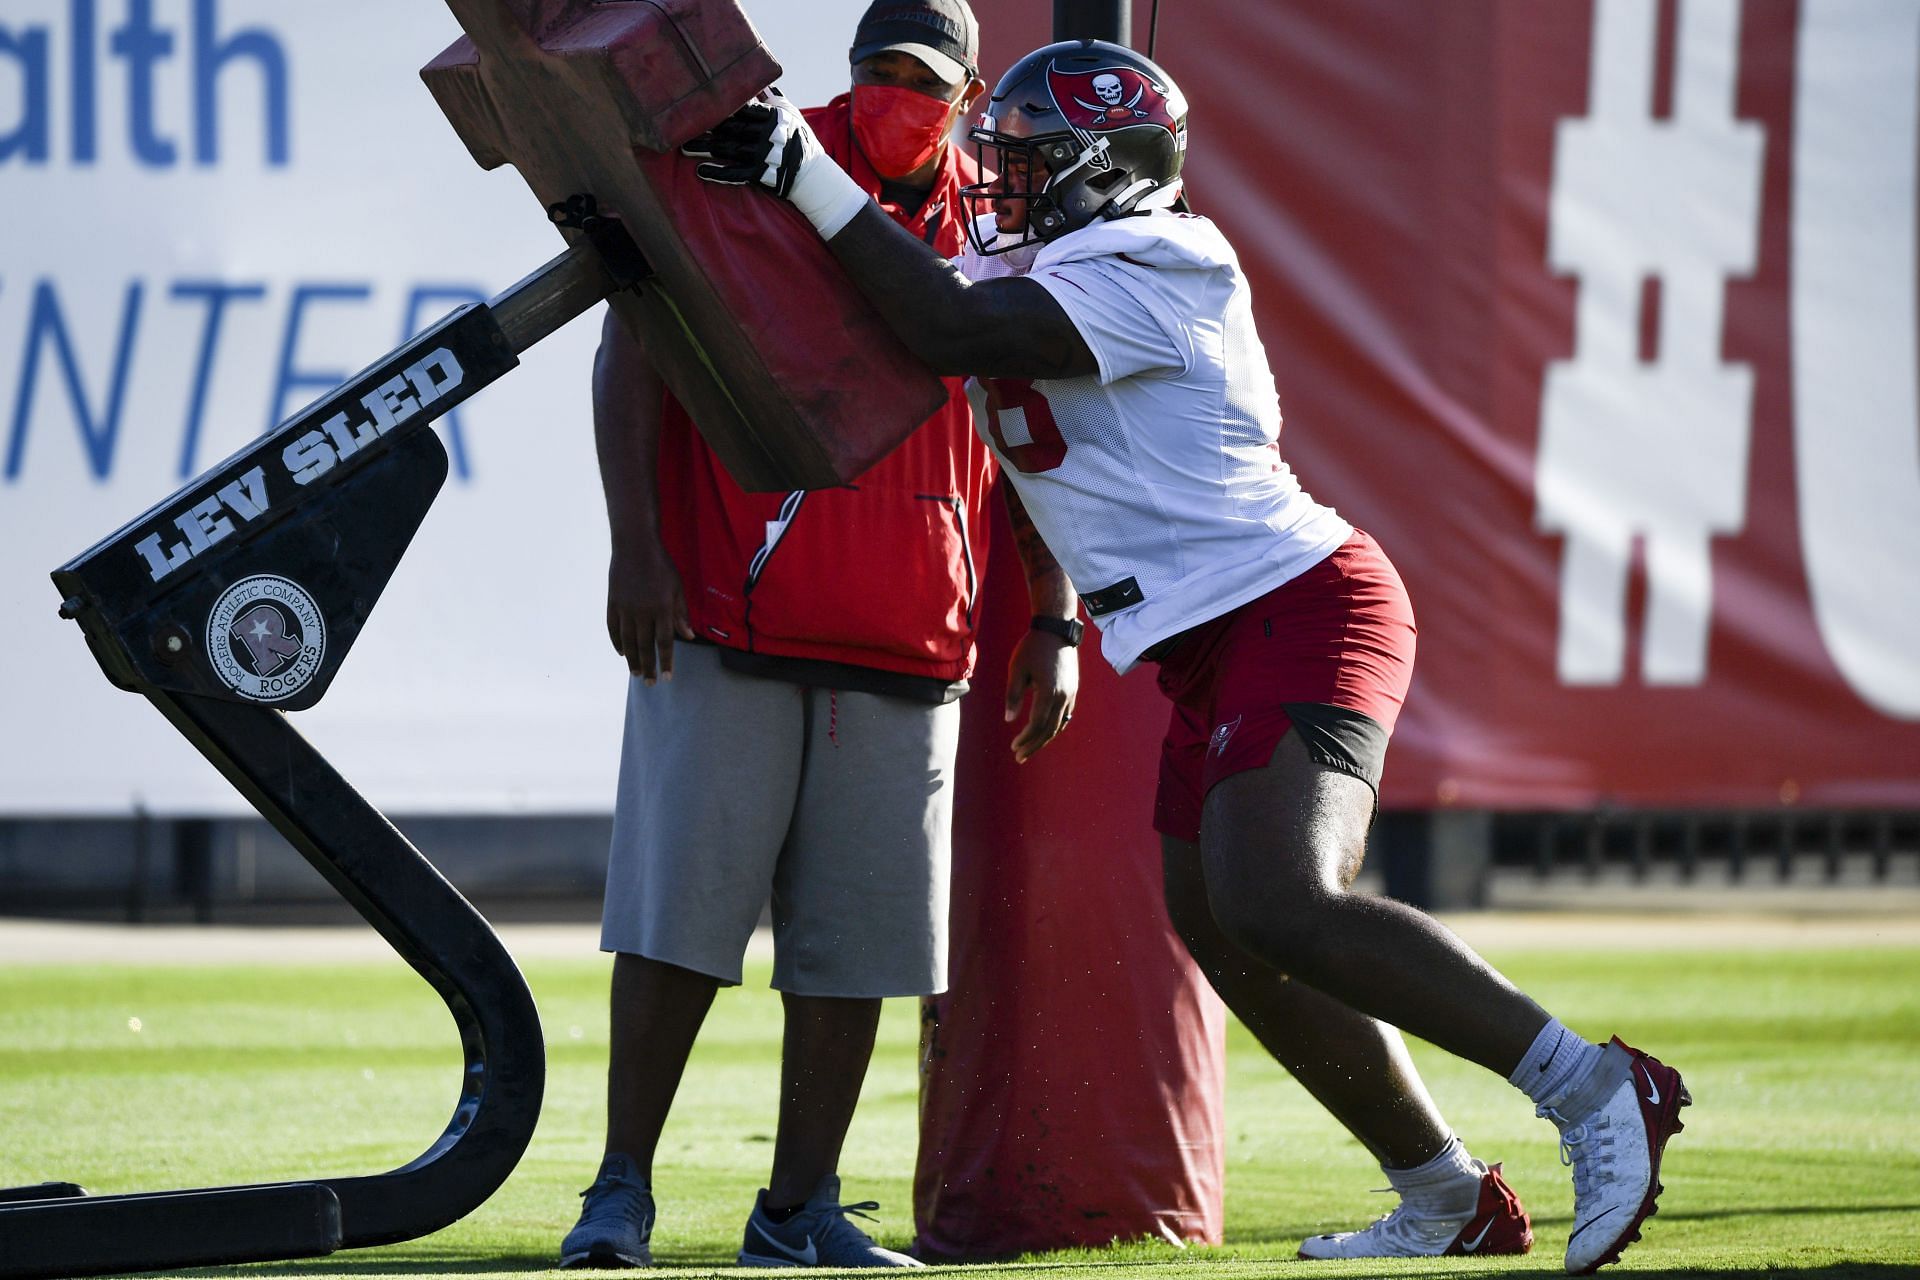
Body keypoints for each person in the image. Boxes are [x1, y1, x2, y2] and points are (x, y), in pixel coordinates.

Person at [688, 38, 1690, 1276]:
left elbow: (947, 325)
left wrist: (799, 166)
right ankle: (1443, 1192)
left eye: (1029, 158)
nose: (997, 179)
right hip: (1208, 638)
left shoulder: (1165, 254)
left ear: (1103, 169)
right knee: (1218, 919)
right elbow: (1023, 438)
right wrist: (728, 199)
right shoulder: (1038, 257)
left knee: (1282, 896)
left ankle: (1593, 1086)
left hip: (1301, 603)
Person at [560, 3, 1080, 1269]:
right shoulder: (754, 155)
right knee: (678, 925)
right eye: (879, 71)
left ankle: (797, 1210)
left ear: (965, 93)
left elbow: (1036, 434)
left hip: (913, 630)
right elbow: (641, 335)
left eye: (924, 78)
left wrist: (1053, 612)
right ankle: (619, 1190)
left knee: (862, 943)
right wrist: (638, 543)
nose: (899, 93)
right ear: (849, 74)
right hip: (726, 606)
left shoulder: (1002, 217)